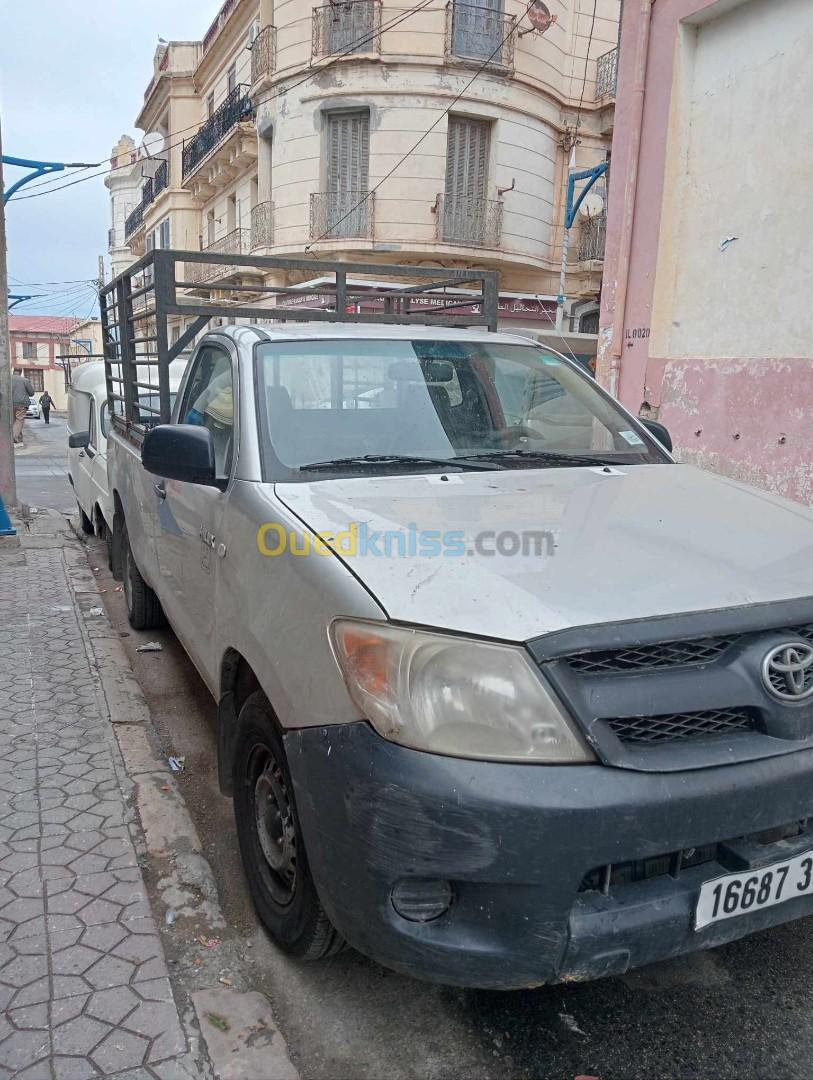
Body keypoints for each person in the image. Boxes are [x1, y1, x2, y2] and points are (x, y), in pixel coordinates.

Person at [11, 369, 35, 445]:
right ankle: (14, 437)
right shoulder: (25, 380)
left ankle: (19, 439)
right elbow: (31, 393)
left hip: (9, 404)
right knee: (19, 420)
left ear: (13, 371)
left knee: (14, 421)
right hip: (21, 404)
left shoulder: (7, 379)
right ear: (21, 372)